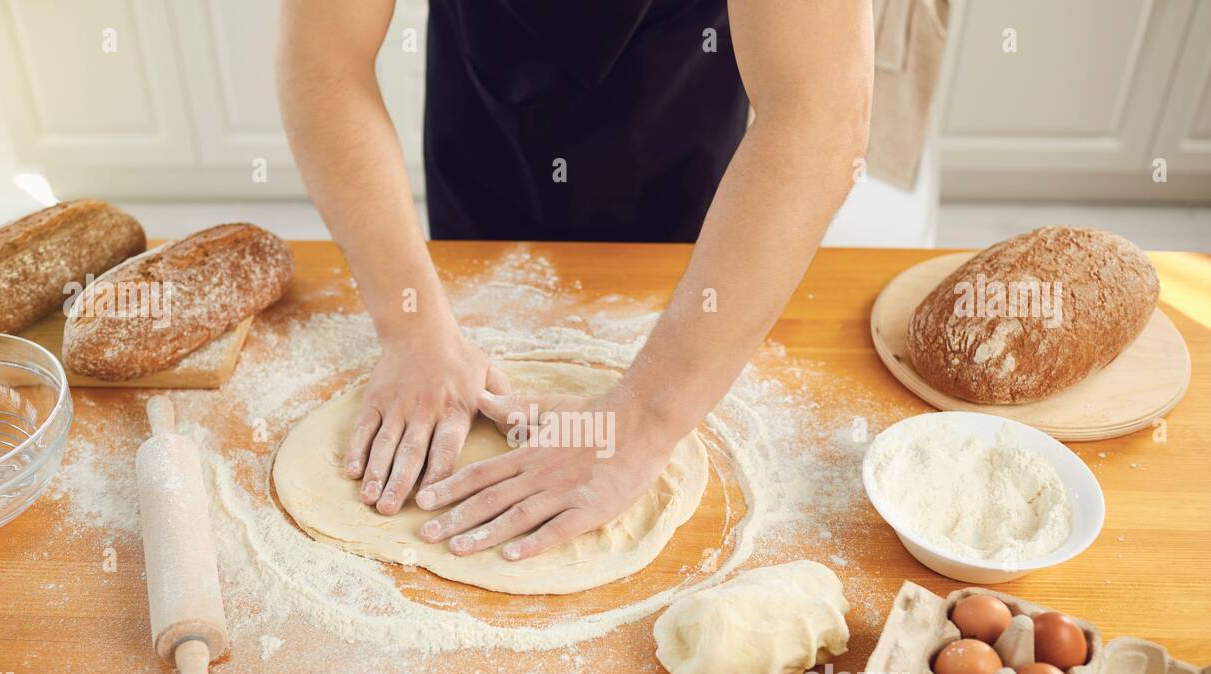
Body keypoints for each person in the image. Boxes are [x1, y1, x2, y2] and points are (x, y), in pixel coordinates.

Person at [277, 0, 873, 562]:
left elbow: (818, 117)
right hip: (485, 110)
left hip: (676, 98)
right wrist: (412, 326)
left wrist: (646, 418)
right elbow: (326, 67)